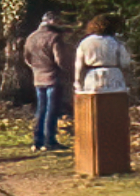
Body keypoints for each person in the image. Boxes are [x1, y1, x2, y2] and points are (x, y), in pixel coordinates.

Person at [24, 11, 70, 152]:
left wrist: (37, 69)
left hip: (38, 77)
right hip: (53, 77)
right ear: (53, 22)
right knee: (52, 110)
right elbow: (60, 60)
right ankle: (49, 141)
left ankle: (37, 141)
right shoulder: (54, 37)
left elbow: (27, 58)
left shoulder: (31, 37)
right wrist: (68, 71)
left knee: (41, 109)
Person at [74, 14, 131, 94]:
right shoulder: (116, 42)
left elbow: (79, 66)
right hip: (114, 77)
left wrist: (78, 83)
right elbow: (125, 62)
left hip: (93, 78)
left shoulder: (85, 42)